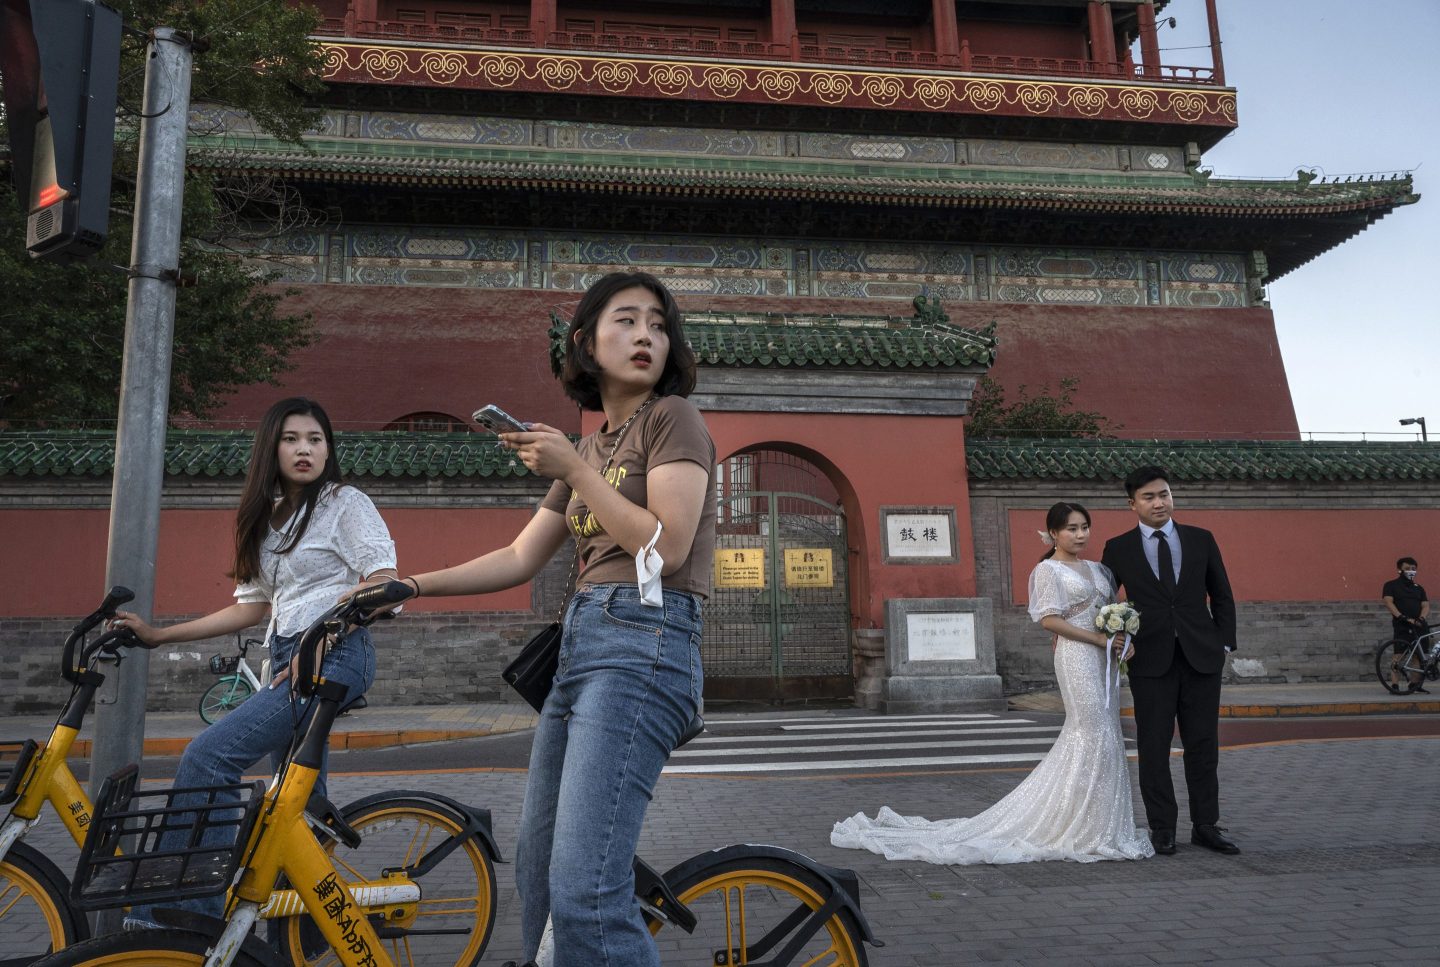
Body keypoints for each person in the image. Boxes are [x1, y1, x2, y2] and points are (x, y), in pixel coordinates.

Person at [396, 270, 716, 966]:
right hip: (580, 651)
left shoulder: (672, 420)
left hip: (645, 644)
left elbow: (667, 543)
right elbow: (518, 555)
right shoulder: (592, 448)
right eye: (627, 320)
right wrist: (408, 584)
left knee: (586, 888)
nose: (646, 336)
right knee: (540, 877)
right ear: (585, 341)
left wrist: (577, 469)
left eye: (658, 325)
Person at [111, 397, 396, 923]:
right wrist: (158, 636)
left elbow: (383, 581)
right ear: (272, 447)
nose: (305, 449)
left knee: (207, 757)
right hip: (290, 657)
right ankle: (311, 930)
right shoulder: (265, 521)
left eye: (315, 438)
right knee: (294, 809)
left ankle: (185, 917)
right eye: (291, 439)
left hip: (334, 655)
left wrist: (320, 644)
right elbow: (253, 609)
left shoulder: (344, 503)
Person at [831, 502, 1153, 865]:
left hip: (1102, 660)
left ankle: (1103, 823)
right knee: (1089, 730)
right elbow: (1048, 620)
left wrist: (1119, 639)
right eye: (1070, 529)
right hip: (1076, 656)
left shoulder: (1098, 570)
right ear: (1052, 534)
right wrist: (1094, 640)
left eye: (1084, 528)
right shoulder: (1047, 570)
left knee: (1107, 731)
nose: (1079, 535)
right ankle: (1076, 823)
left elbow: (1107, 615)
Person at [1100, 465, 1239, 856]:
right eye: (1148, 497)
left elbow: (1222, 595)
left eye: (1164, 494)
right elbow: (1107, 603)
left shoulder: (1201, 539)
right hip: (1150, 660)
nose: (1159, 502)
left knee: (1203, 744)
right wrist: (1116, 638)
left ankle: (1206, 825)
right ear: (1133, 504)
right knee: (1153, 745)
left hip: (1201, 656)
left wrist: (1223, 644)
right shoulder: (1118, 548)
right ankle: (1162, 828)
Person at [1382, 556, 1430, 694]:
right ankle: (1395, 685)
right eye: (1407, 569)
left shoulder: (1419, 588)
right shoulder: (1390, 585)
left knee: (1417, 656)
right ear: (1399, 570)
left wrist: (1421, 618)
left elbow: (1425, 605)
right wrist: (1401, 617)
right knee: (1398, 656)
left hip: (1419, 625)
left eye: (1413, 569)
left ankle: (1414, 685)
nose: (1411, 571)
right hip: (1402, 625)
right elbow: (1388, 602)